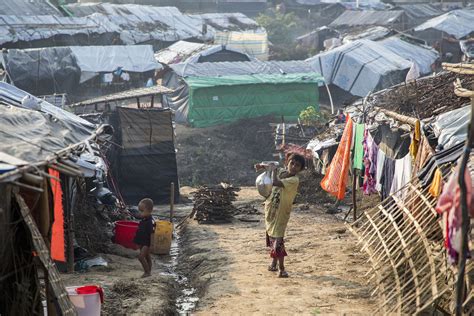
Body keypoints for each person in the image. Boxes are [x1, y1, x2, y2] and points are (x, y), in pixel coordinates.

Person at [256, 154, 305, 278]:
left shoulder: (294, 180)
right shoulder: (282, 172)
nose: (293, 167)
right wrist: (263, 167)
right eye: (292, 163)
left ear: (300, 169)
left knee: (278, 240)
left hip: (281, 214)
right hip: (272, 210)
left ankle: (282, 269)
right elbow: (273, 166)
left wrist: (272, 170)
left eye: (297, 165)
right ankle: (273, 263)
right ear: (287, 163)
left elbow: (275, 182)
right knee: (272, 236)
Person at [133, 198, 155, 278]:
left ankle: (147, 272)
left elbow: (152, 233)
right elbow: (137, 216)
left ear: (149, 210)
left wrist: (152, 245)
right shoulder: (144, 218)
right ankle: (149, 271)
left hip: (147, 242)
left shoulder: (150, 222)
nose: (140, 213)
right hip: (142, 241)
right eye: (139, 211)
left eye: (141, 211)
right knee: (147, 256)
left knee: (141, 257)